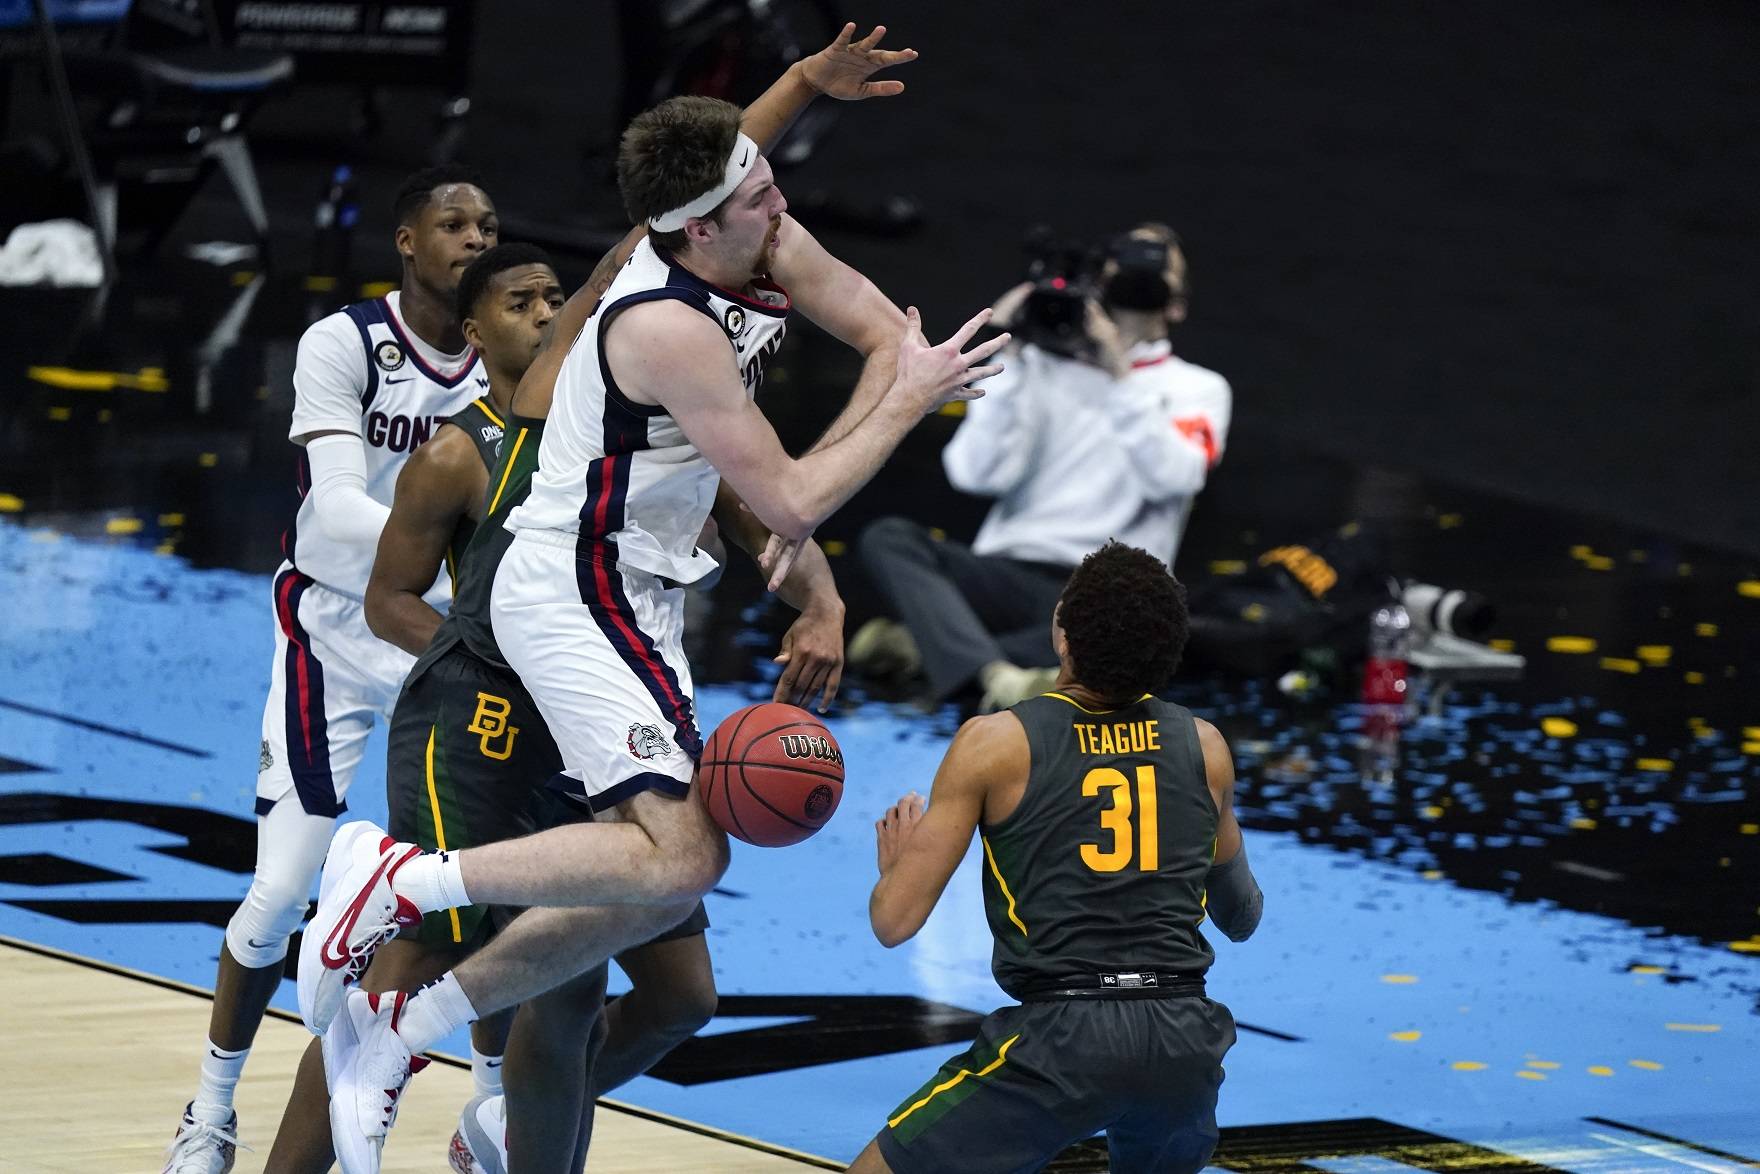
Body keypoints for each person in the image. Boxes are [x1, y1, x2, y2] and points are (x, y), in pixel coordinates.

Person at [300, 38, 1009, 1174]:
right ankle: (401, 888)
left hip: (641, 598)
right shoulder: (657, 321)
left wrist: (801, 98)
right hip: (570, 587)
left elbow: (881, 331)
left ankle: (405, 1036)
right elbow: (785, 490)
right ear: (693, 228)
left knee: (645, 897)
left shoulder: (754, 228)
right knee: (677, 861)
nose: (782, 199)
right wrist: (908, 403)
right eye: (758, 195)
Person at [164, 163, 499, 1174]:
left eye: (489, 223)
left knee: (476, 886)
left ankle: (489, 1110)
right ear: (406, 240)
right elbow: (333, 509)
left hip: (439, 649)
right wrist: (449, 556)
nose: (476, 238)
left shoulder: (510, 365)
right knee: (278, 895)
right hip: (333, 633)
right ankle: (210, 1112)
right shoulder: (343, 343)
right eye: (453, 222)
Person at [851, 542, 1263, 1173]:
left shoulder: (995, 744)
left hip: (1061, 1038)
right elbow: (1242, 917)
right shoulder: (1204, 746)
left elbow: (893, 922)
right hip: (1185, 1039)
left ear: (1061, 632)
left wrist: (896, 868)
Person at [851, 225, 1233, 713]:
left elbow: (1174, 477)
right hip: (1004, 573)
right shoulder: (1041, 364)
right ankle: (991, 673)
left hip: (1099, 589)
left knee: (1131, 634)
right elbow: (974, 474)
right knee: (889, 537)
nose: (1139, 276)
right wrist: (1009, 350)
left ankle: (932, 649)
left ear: (1177, 305)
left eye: (1157, 272)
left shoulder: (1198, 389)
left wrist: (1118, 372)